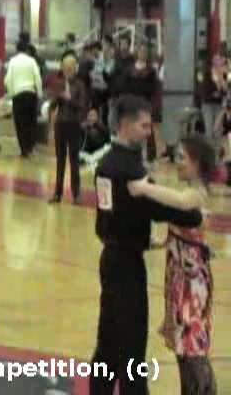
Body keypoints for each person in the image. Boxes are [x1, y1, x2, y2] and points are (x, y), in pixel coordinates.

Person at [90, 95, 204, 394]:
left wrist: (143, 239)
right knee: (132, 348)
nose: (148, 131)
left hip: (110, 260)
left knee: (108, 344)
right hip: (127, 267)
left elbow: (107, 216)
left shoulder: (105, 164)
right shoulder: (130, 169)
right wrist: (193, 213)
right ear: (126, 125)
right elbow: (158, 207)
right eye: (143, 125)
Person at [128, 134, 217, 395]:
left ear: (196, 163)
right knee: (182, 346)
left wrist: (143, 188)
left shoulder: (196, 194)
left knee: (191, 346)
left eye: (181, 157)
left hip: (192, 283)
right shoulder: (188, 192)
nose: (177, 162)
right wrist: (157, 243)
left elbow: (179, 202)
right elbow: (180, 232)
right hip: (178, 279)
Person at [49, 54, 88, 205]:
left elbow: (82, 105)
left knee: (74, 160)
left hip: (74, 124)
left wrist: (68, 98)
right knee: (60, 159)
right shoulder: (59, 83)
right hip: (60, 124)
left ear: (75, 69)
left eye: (70, 68)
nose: (68, 71)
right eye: (65, 68)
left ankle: (76, 194)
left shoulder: (80, 85)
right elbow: (53, 105)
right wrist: (56, 98)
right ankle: (57, 193)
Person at [4, 41, 42, 158]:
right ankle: (31, 147)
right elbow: (37, 78)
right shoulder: (32, 61)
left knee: (20, 123)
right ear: (26, 50)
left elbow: (8, 79)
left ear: (17, 50)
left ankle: (24, 150)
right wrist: (39, 94)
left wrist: (12, 93)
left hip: (18, 95)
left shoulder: (12, 61)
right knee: (31, 122)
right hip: (31, 93)